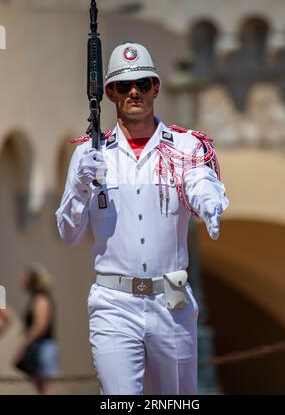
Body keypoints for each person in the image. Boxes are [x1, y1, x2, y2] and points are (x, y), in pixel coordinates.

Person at [56, 42, 229, 395]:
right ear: (110, 93)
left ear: (156, 87)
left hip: (171, 302)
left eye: (143, 83)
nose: (135, 91)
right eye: (124, 85)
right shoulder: (88, 154)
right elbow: (69, 234)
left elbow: (197, 180)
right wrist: (80, 185)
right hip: (113, 303)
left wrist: (209, 199)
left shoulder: (185, 148)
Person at [14, 263, 59, 395]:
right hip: (40, 347)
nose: (21, 281)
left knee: (46, 387)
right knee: (41, 386)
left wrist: (25, 342)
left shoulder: (41, 299)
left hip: (42, 348)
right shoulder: (36, 298)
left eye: (25, 278)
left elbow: (41, 325)